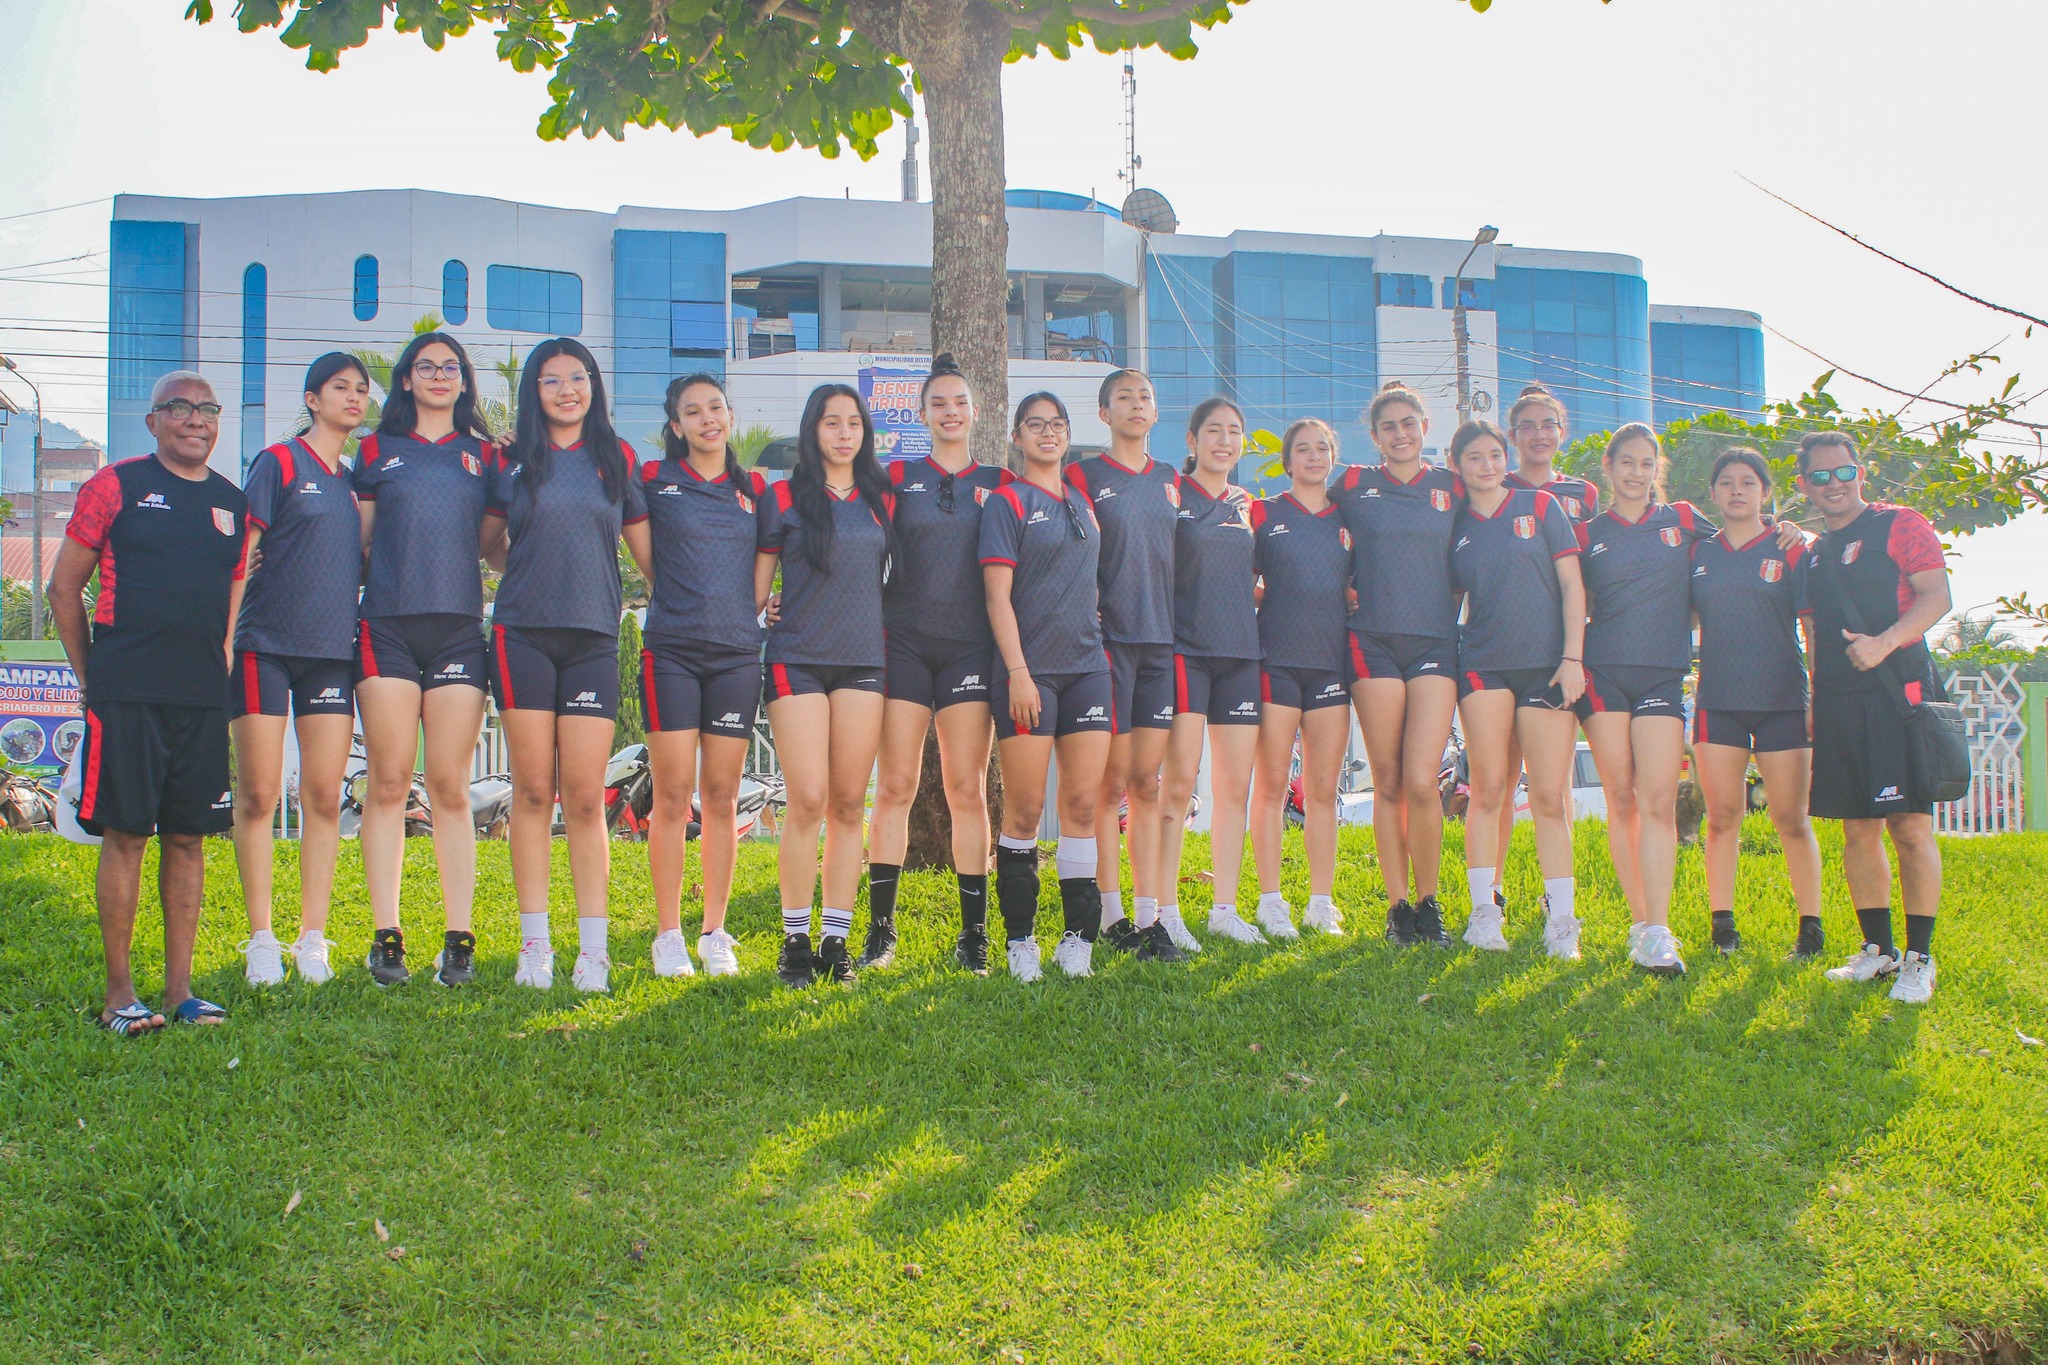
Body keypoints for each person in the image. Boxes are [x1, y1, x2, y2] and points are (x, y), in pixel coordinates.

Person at [50, 371, 247, 1033]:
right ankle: (118, 996)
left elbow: (230, 602)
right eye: (181, 408)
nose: (197, 419)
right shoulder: (116, 485)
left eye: (207, 408)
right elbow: (62, 588)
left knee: (188, 838)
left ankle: (180, 991)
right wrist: (92, 676)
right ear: (154, 420)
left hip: (198, 694)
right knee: (129, 835)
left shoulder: (231, 502)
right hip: (127, 689)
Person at [481, 339, 652, 995]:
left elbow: (650, 554)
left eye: (576, 378)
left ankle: (594, 951)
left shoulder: (617, 458)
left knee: (584, 797)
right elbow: (490, 545)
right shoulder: (510, 459)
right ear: (534, 391)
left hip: (590, 639)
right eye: (550, 381)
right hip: (521, 633)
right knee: (530, 792)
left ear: (593, 385)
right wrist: (528, 570)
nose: (565, 390)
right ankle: (536, 945)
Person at [352, 331, 498, 987]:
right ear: (405, 380)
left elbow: (496, 549)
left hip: (460, 633)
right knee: (388, 781)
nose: (439, 375)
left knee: (448, 784)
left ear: (465, 381)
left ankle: (458, 939)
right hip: (385, 629)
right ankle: (387, 935)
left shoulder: (485, 456)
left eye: (451, 366)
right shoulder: (376, 452)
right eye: (425, 366)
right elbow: (352, 546)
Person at [231, 353, 369, 986]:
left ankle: (312, 937)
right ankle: (262, 937)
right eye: (340, 387)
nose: (354, 397)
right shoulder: (279, 462)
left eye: (362, 390)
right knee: (259, 794)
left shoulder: (354, 479)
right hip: (264, 646)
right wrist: (223, 638)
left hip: (331, 654)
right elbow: (242, 552)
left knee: (322, 794)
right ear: (312, 399)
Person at [1799, 432, 1950, 1004]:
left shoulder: (1901, 524)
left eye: (1845, 472)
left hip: (1896, 692)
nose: (1835, 485)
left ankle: (1920, 958)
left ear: (1861, 473)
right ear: (1804, 484)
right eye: (1821, 476)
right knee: (1856, 827)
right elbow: (1812, 633)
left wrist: (1883, 644)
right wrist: (1815, 699)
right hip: (1838, 701)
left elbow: (1937, 597)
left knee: (1909, 826)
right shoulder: (1813, 555)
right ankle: (1878, 951)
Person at [867, 354, 1005, 972]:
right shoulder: (896, 476)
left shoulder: (1001, 483)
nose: (951, 412)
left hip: (971, 650)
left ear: (975, 412)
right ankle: (880, 930)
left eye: (960, 402)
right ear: (921, 414)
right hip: (903, 645)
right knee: (894, 787)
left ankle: (973, 935)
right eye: (938, 403)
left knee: (965, 790)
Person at [756, 384, 895, 988]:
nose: (843, 433)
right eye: (831, 422)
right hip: (798, 660)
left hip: (865, 660)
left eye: (853, 423)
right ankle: (794, 941)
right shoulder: (782, 497)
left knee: (846, 802)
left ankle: (836, 940)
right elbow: (756, 593)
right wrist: (765, 610)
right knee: (808, 798)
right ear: (813, 431)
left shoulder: (882, 498)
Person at [981, 392, 1115, 979]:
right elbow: (996, 597)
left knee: (1082, 806)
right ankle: (1020, 941)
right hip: (1027, 676)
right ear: (1017, 436)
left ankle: (1079, 940)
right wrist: (1018, 673)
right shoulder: (1007, 502)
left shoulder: (1083, 502)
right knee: (1026, 810)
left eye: (1057, 424)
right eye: (1035, 425)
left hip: (1088, 669)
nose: (1047, 433)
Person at [637, 373, 767, 978]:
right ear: (676, 425)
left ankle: (715, 931)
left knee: (720, 797)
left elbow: (777, 558)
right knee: (671, 796)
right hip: (671, 652)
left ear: (730, 416)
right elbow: (645, 556)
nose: (707, 419)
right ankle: (668, 934)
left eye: (716, 408)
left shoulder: (757, 491)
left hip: (738, 655)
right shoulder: (654, 481)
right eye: (693, 412)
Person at [1575, 424, 1717, 974]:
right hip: (1602, 676)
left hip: (1662, 676)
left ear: (1656, 469)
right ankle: (1640, 924)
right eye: (1625, 462)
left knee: (1658, 800)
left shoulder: (1681, 520)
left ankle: (1659, 930)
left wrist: (1792, 535)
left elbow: (1735, 544)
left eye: (1645, 463)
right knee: (1623, 800)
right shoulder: (1587, 534)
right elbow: (1572, 601)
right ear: (1607, 467)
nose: (1635, 472)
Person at [1445, 420, 1588, 957]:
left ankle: (1563, 922)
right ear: (1458, 467)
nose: (1486, 465)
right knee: (1487, 789)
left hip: (1548, 668)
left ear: (1505, 458)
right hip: (1483, 664)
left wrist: (1573, 657)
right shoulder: (1456, 523)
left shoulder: (1542, 507)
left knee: (1548, 797)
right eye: (1473, 458)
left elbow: (1573, 586)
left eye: (1493, 455)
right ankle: (1484, 914)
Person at [1334, 381, 1463, 946]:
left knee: (1421, 781)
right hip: (1373, 643)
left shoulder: (1452, 486)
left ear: (1425, 428)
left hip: (1436, 643)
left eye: (1409, 422)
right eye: (1389, 426)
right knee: (1387, 782)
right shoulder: (1355, 485)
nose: (1400, 433)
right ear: (1375, 436)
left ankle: (1431, 902)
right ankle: (1397, 909)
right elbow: (1309, 515)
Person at [1690, 447, 1824, 957]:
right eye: (1726, 482)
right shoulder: (1700, 552)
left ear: (1765, 492)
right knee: (1723, 817)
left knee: (1791, 819)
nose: (1737, 490)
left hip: (1783, 699)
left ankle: (1810, 930)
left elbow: (1811, 627)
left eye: (1748, 482)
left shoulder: (1790, 547)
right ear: (1715, 493)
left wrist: (1816, 693)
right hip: (1718, 700)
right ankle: (1723, 929)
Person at [1066, 369, 1182, 953]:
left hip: (1161, 646)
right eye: (1124, 398)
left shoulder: (1170, 481)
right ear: (1104, 414)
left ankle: (1150, 913)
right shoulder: (1082, 477)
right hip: (1107, 646)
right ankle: (1112, 916)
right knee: (1110, 784)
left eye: (1146, 396)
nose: (1137, 405)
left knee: (1147, 782)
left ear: (1155, 412)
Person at [1486, 383, 1602, 912]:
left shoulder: (1583, 493)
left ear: (1562, 432)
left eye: (1547, 424)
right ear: (1512, 437)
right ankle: (1493, 887)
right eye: (1527, 426)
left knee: (1551, 783)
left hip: (1571, 645)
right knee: (1501, 778)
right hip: (1505, 644)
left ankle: (1557, 896)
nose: (1538, 434)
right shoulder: (1492, 484)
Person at [1158, 398, 1265, 947]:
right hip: (1186, 651)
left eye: (1234, 432)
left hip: (1241, 655)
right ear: (1192, 440)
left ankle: (1225, 908)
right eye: (1213, 431)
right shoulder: (1172, 496)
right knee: (1177, 785)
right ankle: (1165, 910)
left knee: (1233, 789)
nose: (1224, 441)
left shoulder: (1251, 505)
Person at [1248, 419, 1352, 937]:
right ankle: (1271, 901)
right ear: (1287, 461)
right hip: (1277, 662)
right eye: (1303, 450)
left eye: (1322, 448)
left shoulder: (1346, 518)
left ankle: (1319, 901)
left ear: (1333, 456)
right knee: (1269, 786)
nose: (1313, 457)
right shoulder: (1264, 513)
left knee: (1322, 791)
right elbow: (1239, 585)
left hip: (1331, 666)